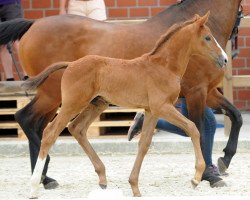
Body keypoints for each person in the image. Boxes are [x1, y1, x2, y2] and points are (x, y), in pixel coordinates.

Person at [128, 98, 228, 188]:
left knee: (191, 128)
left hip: (194, 86)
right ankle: (207, 166)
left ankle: (146, 121)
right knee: (208, 122)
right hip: (192, 85)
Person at [0, 0, 27, 81]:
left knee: (18, 40)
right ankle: (9, 79)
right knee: (2, 42)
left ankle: (27, 76)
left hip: (11, 4)